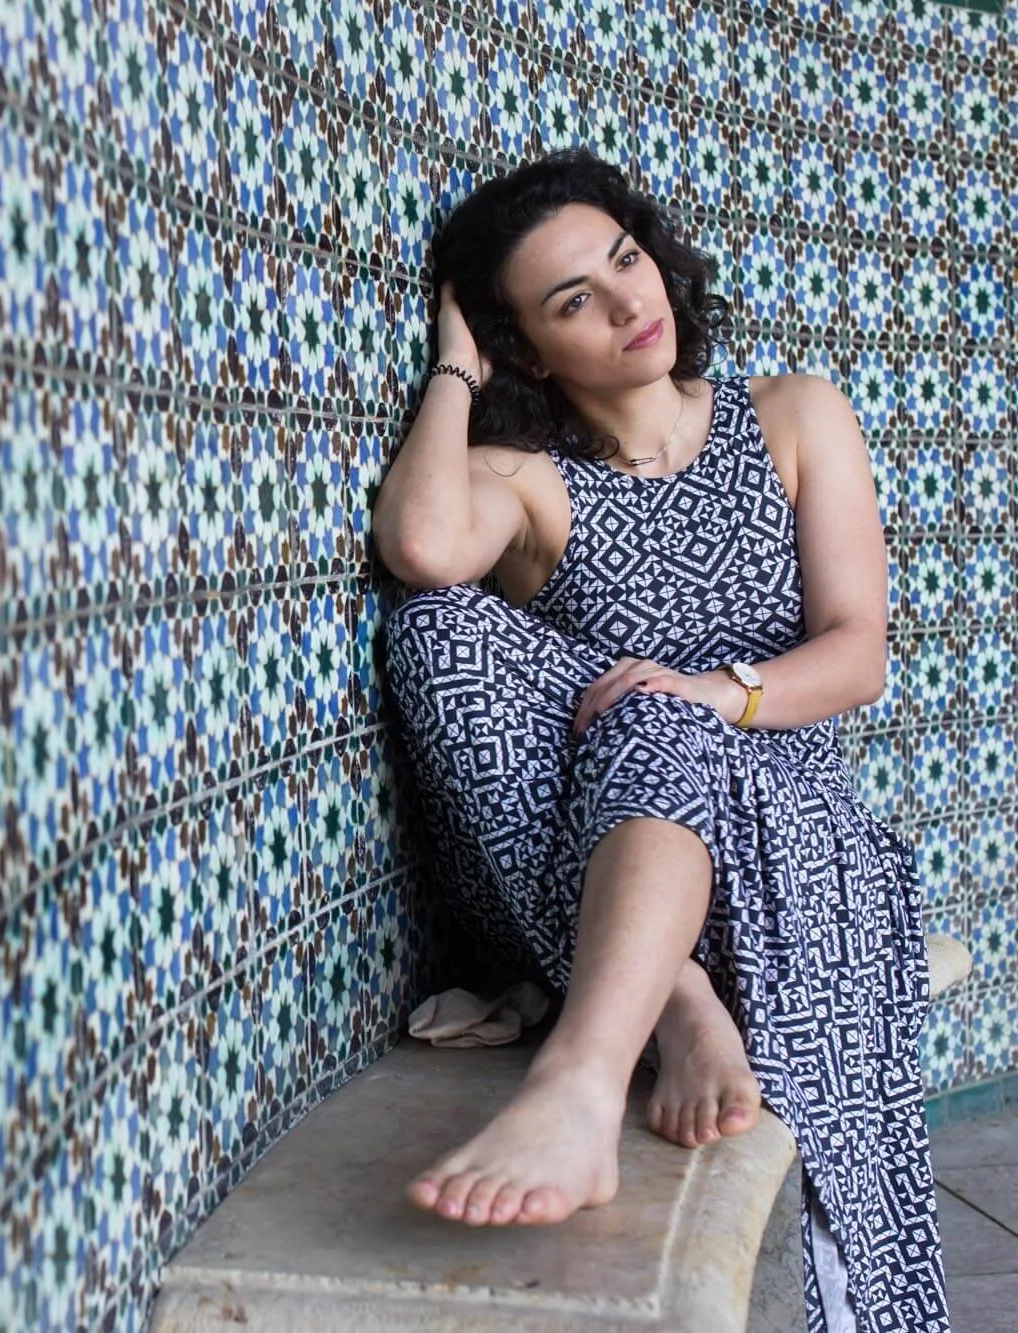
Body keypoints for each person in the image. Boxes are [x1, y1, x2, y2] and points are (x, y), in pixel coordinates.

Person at [373, 149, 947, 1332]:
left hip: (790, 829)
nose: (631, 304)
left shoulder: (791, 415)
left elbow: (855, 650)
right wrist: (450, 366)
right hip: (598, 855)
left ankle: (580, 1075)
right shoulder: (530, 480)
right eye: (572, 299)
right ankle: (675, 1002)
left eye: (625, 261)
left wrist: (707, 693)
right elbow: (424, 549)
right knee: (434, 634)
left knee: (652, 710)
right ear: (525, 349)